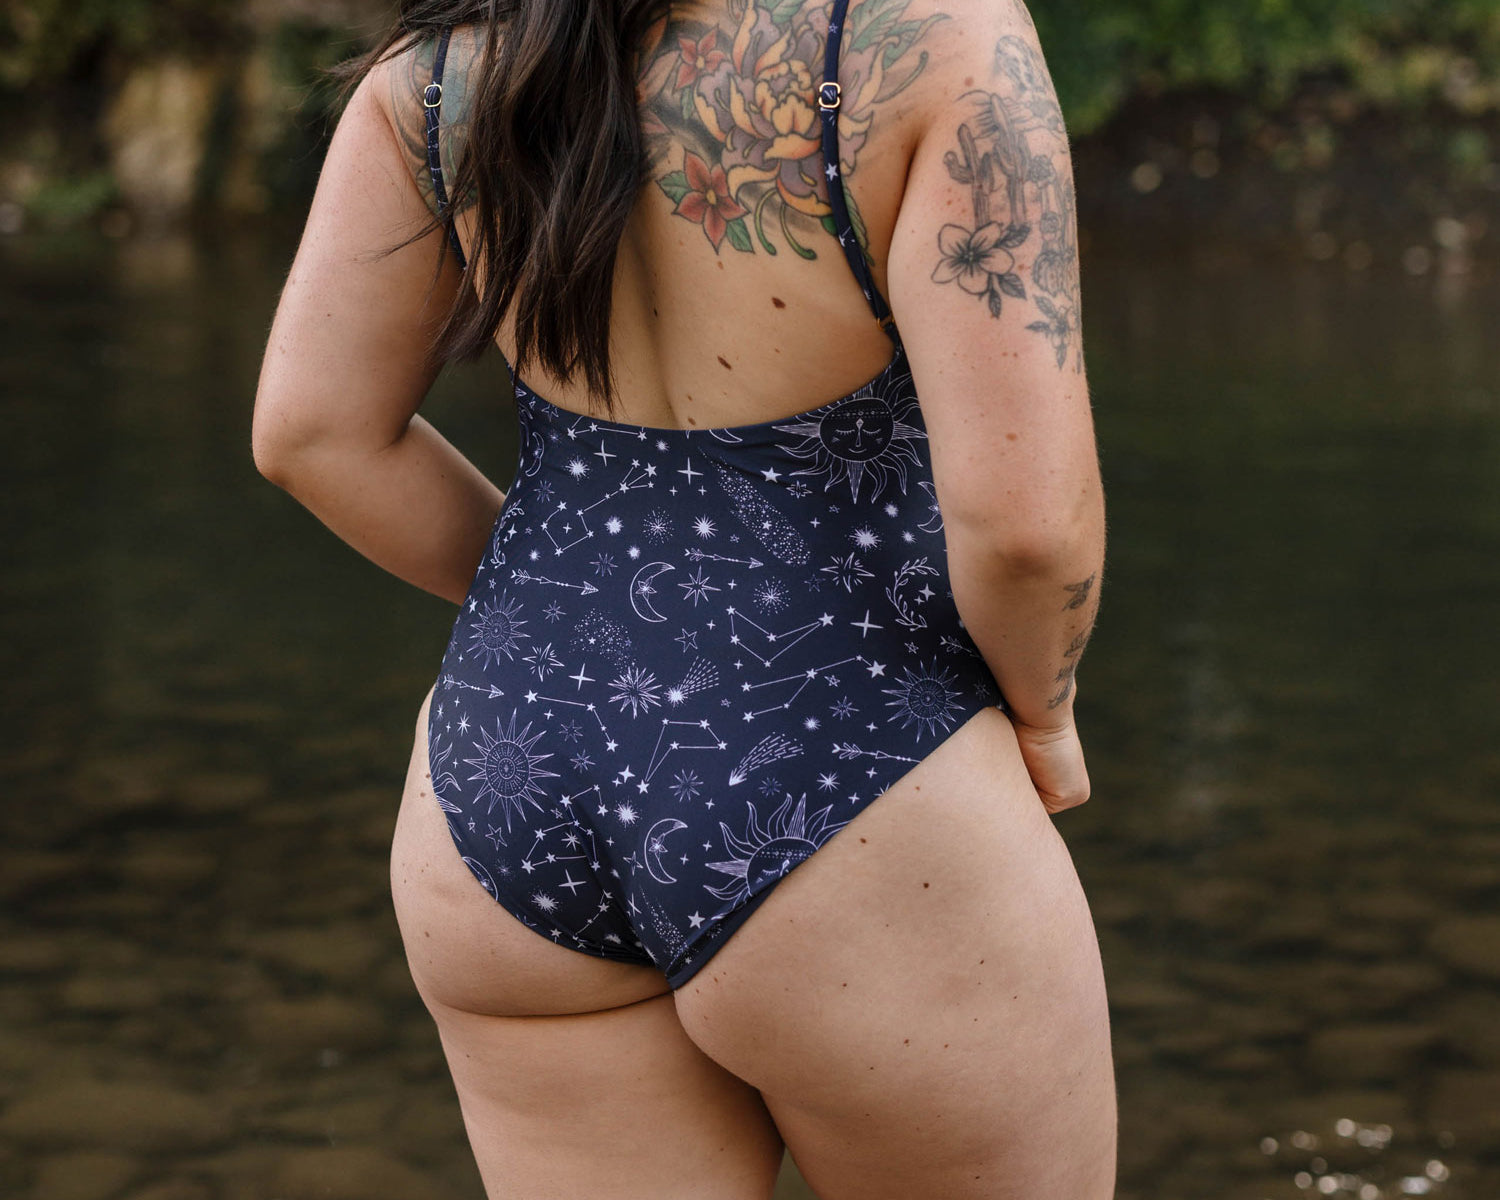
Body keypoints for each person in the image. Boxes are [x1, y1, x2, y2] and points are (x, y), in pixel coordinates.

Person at [252, 0, 1113, 1195]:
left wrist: (569, 612)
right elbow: (1024, 530)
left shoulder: (440, 74)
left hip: (507, 773)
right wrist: (1046, 712)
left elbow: (314, 436)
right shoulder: (930, 38)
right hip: (850, 760)